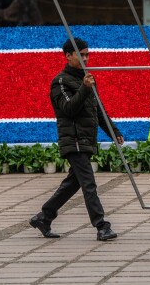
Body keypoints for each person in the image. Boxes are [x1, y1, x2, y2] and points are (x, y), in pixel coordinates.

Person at [29, 37, 123, 241]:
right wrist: (84, 87)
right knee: (89, 183)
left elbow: (98, 111)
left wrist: (114, 131)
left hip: (86, 139)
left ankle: (44, 217)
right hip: (74, 140)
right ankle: (101, 225)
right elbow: (68, 109)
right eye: (81, 55)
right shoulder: (60, 81)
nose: (86, 58)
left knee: (74, 183)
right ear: (68, 56)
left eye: (87, 54)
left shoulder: (87, 79)